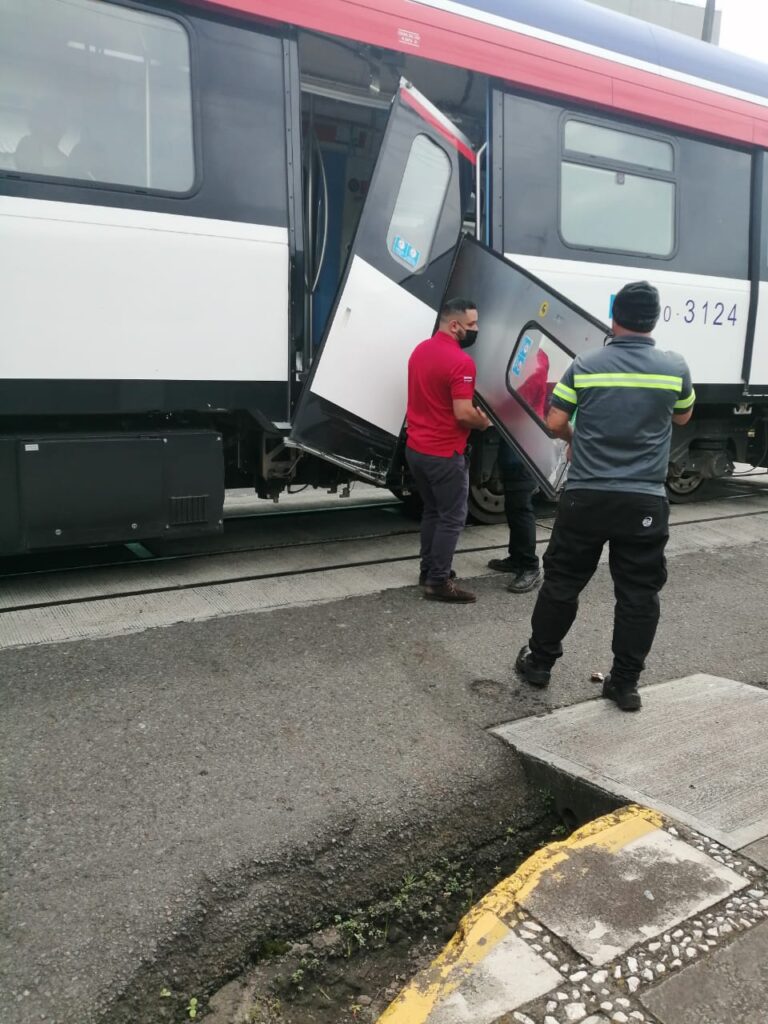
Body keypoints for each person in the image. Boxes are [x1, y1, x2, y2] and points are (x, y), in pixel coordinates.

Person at [515, 281, 695, 711]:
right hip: (644, 503)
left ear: (614, 316)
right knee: (638, 593)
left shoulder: (587, 363)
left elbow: (555, 419)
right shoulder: (674, 367)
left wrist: (578, 437)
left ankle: (539, 663)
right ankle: (624, 684)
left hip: (586, 496)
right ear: (654, 319)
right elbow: (683, 416)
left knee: (562, 583)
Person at [406, 297, 491, 603]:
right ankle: (438, 582)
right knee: (453, 516)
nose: (476, 329)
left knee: (433, 510)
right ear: (454, 325)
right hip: (444, 452)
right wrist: (483, 423)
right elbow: (462, 413)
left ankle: (428, 569)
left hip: (416, 448)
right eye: (472, 324)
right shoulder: (461, 362)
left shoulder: (420, 350)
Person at [487, 347, 550, 593]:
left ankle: (530, 567)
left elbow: (516, 400)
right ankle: (516, 558)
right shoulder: (524, 353)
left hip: (525, 443)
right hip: (513, 438)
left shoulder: (535, 362)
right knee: (513, 504)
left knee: (521, 505)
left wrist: (488, 405)